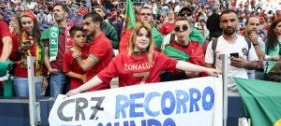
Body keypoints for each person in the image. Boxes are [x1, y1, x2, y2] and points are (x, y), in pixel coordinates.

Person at [66, 22, 218, 96]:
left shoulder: (157, 57)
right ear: (133, 38)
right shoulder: (121, 58)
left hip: (152, 107)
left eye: (147, 36)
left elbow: (181, 64)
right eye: (140, 35)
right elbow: (101, 77)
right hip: (128, 108)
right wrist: (78, 90)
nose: (144, 38)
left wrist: (205, 69)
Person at [204, 9, 259, 92]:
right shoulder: (213, 44)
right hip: (220, 90)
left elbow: (256, 63)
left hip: (243, 89)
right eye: (225, 21)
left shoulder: (246, 42)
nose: (229, 24)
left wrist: (245, 63)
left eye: (232, 20)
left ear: (237, 22)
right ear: (220, 24)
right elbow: (208, 68)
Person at [10, 11, 47, 98]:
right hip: (21, 76)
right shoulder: (15, 37)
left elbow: (43, 58)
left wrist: (44, 77)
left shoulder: (40, 37)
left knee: (37, 104)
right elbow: (12, 57)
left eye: (29, 22)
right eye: (24, 23)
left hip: (37, 76)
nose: (27, 25)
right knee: (23, 104)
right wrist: (20, 50)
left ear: (34, 22)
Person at [72, 12, 112, 92]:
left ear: (97, 24)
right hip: (93, 87)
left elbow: (86, 66)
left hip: (99, 89)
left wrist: (77, 55)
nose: (84, 27)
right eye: (83, 24)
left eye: (87, 24)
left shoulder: (102, 42)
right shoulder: (96, 41)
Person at [41, 3, 72, 98]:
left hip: (73, 72)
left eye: (58, 10)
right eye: (54, 11)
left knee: (73, 101)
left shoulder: (74, 30)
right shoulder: (48, 32)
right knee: (55, 102)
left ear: (66, 14)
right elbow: (45, 54)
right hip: (57, 72)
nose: (55, 12)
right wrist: (49, 68)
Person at [63, 25, 89, 89]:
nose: (82, 38)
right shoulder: (68, 53)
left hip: (91, 80)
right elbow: (67, 71)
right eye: (78, 36)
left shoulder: (90, 47)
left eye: (83, 36)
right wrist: (81, 76)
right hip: (76, 84)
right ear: (72, 38)